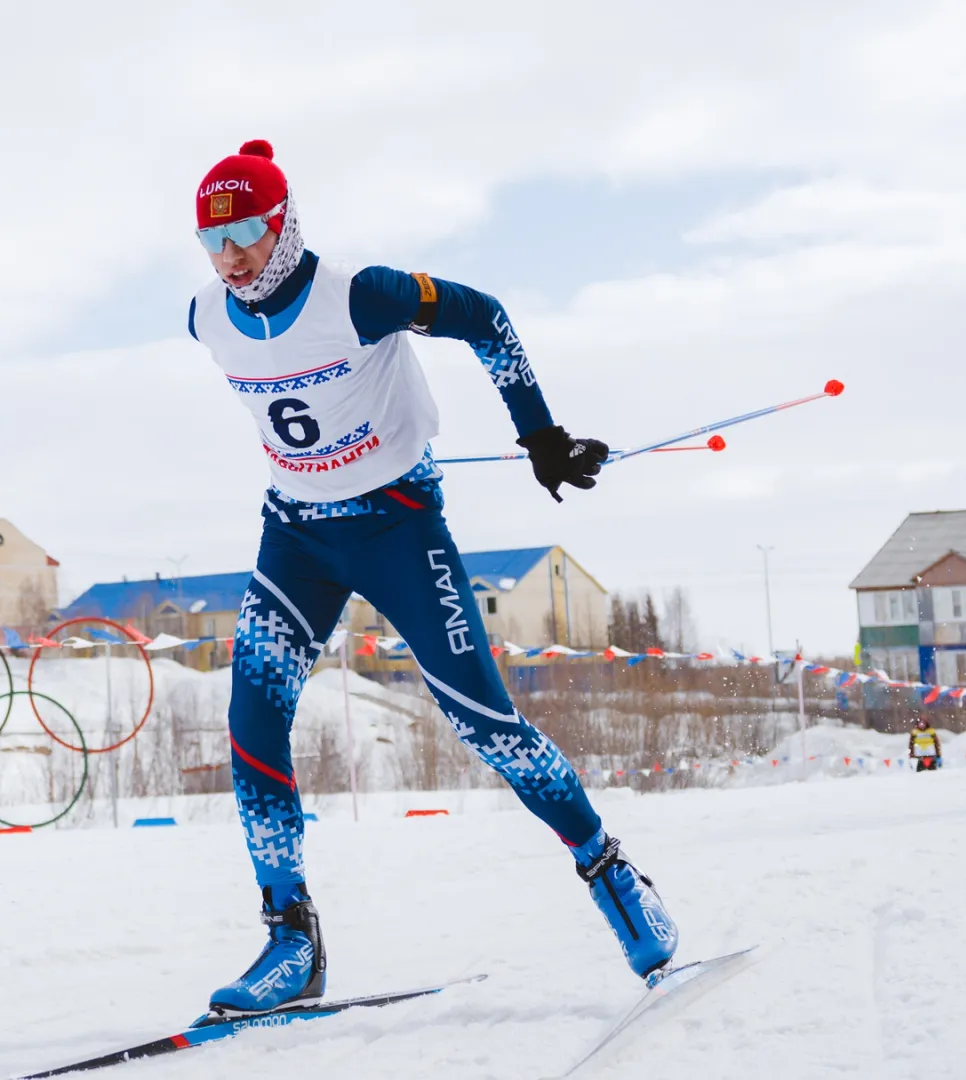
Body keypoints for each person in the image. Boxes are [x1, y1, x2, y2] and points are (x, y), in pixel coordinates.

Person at [184, 140, 678, 1016]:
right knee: (252, 720)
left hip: (398, 527)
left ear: (286, 225)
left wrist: (542, 435)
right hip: (295, 536)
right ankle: (290, 938)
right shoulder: (207, 317)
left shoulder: (359, 294)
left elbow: (484, 316)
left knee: (487, 725)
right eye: (213, 242)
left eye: (250, 234)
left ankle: (610, 870)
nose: (232, 258)